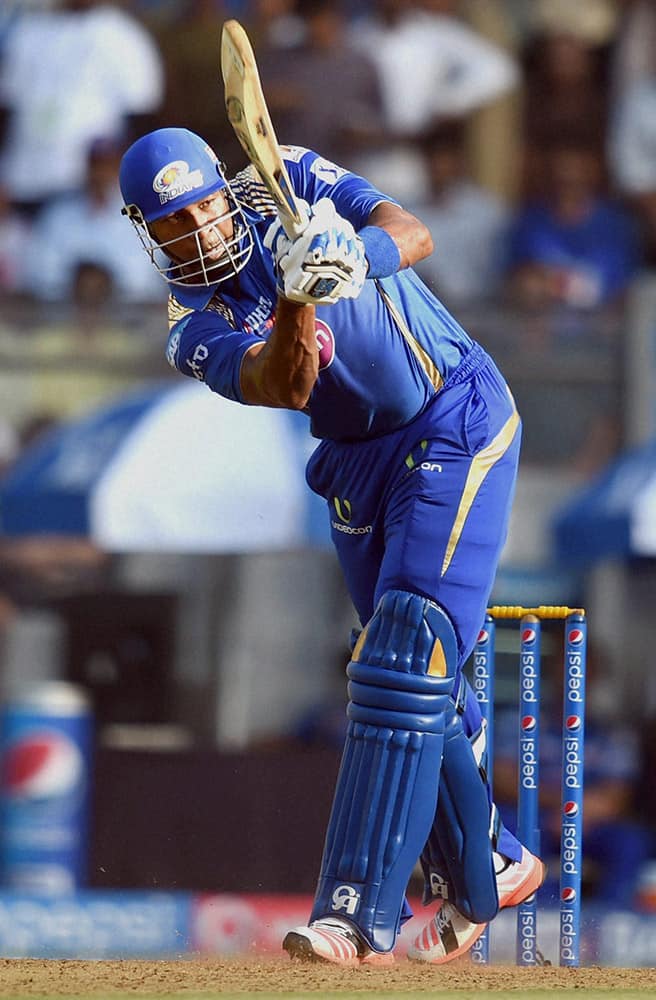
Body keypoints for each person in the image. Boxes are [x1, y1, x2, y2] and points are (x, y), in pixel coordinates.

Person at [118, 121, 544, 966]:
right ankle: (494, 860)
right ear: (144, 232)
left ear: (220, 192)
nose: (199, 236)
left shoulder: (295, 177)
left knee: (403, 654)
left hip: (453, 415)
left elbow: (410, 232)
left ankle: (353, 917)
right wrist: (297, 294)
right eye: (173, 228)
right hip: (356, 461)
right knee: (405, 678)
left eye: (203, 211)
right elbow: (286, 382)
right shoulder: (191, 322)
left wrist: (355, 255)